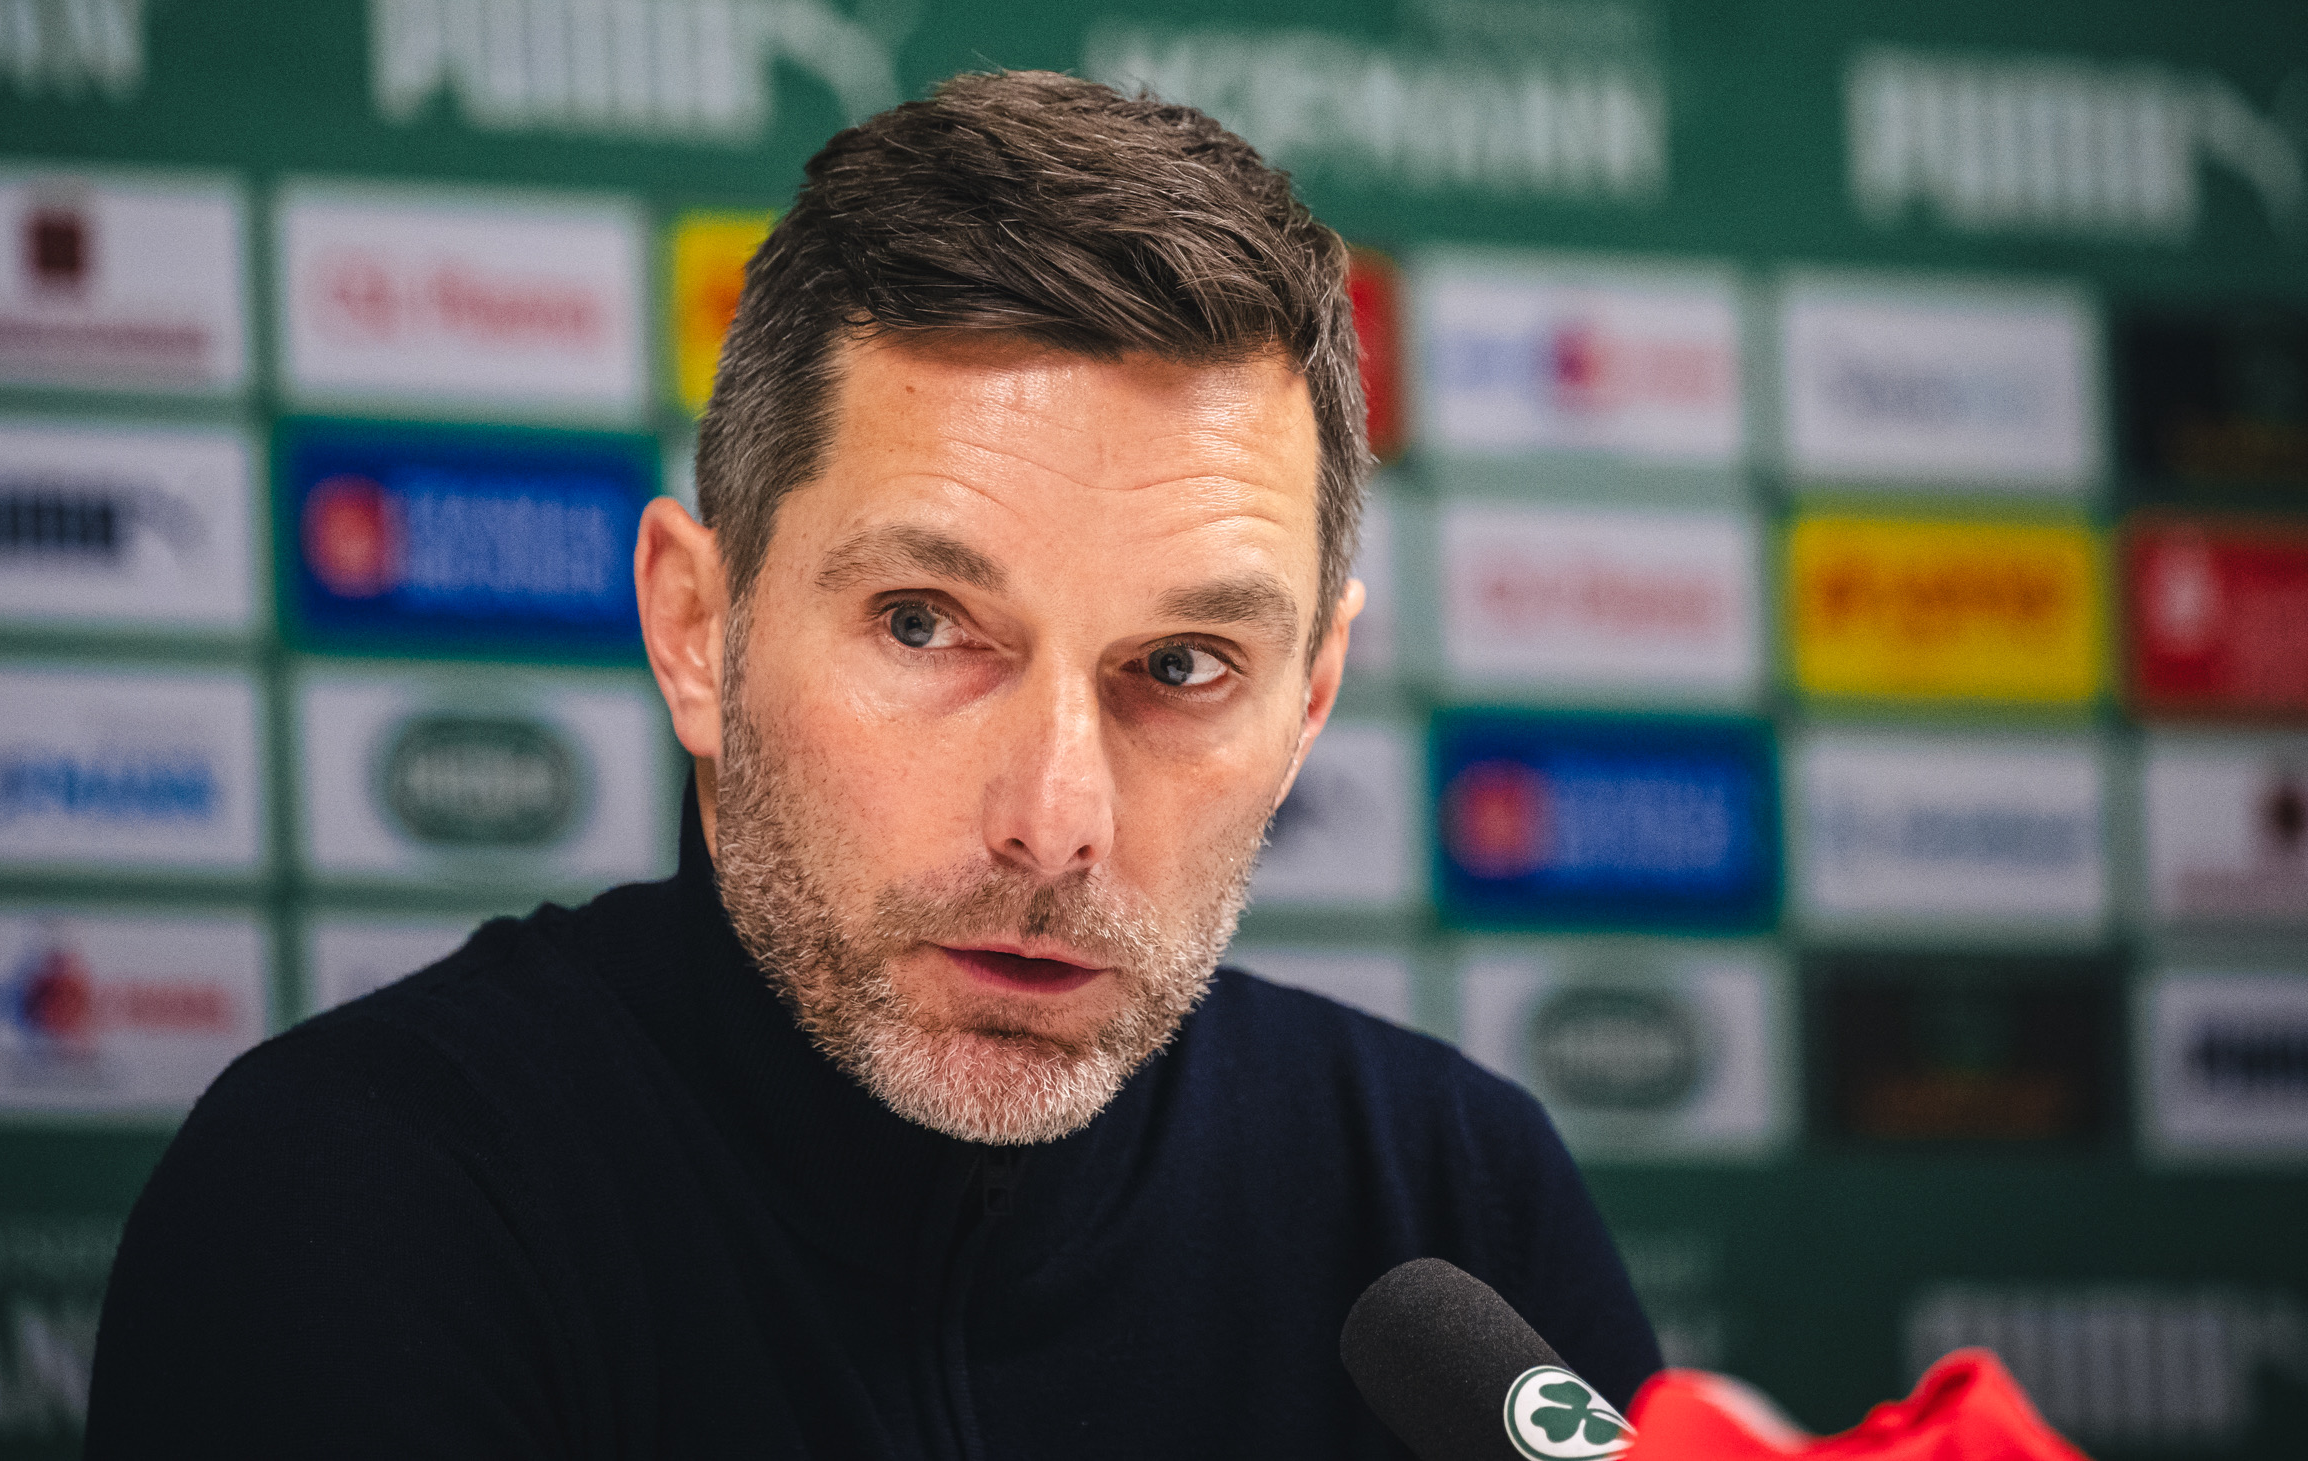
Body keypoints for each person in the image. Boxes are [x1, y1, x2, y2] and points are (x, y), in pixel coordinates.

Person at [84, 71, 1659, 1458]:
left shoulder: (1456, 1201)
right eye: (925, 624)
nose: (1055, 821)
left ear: (1311, 701)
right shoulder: (353, 1201)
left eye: (1181, 668)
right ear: (700, 632)